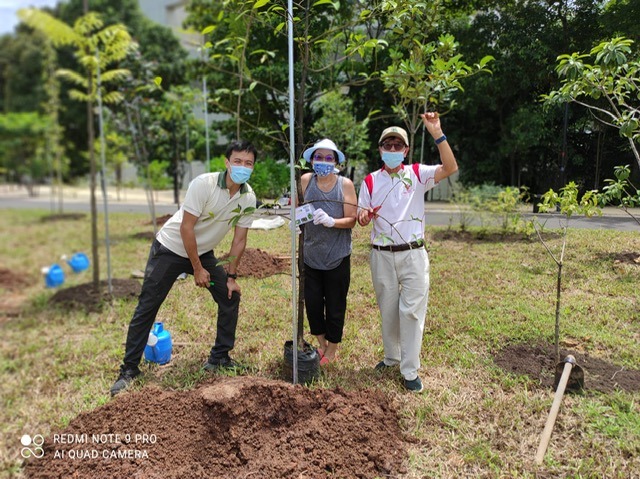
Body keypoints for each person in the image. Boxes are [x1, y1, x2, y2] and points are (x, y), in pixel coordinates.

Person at [110, 140, 258, 396]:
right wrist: (197, 269)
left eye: (248, 163)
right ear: (227, 162)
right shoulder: (204, 184)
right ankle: (129, 369)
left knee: (229, 295)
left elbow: (239, 239)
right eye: (237, 161)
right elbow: (186, 227)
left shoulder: (248, 197)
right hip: (170, 249)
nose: (242, 167)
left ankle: (220, 357)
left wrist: (231, 276)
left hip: (202, 252)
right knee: (148, 305)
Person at [357, 113, 458, 392]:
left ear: (405, 150)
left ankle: (409, 370)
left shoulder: (416, 174)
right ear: (380, 149)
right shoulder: (369, 181)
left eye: (397, 146)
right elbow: (361, 214)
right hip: (381, 255)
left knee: (411, 313)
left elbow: (450, 167)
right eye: (387, 145)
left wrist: (437, 132)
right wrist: (364, 217)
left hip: (413, 254)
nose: (392, 150)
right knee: (388, 310)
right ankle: (391, 357)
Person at [300, 138, 357, 365]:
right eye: (318, 157)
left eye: (328, 158)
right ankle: (322, 343)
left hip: (337, 255)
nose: (323, 162)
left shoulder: (345, 185)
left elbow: (352, 219)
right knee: (313, 304)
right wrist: (297, 221)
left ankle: (332, 349)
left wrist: (333, 221)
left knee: (335, 304)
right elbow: (300, 209)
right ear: (312, 160)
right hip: (311, 254)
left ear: (336, 162)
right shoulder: (305, 181)